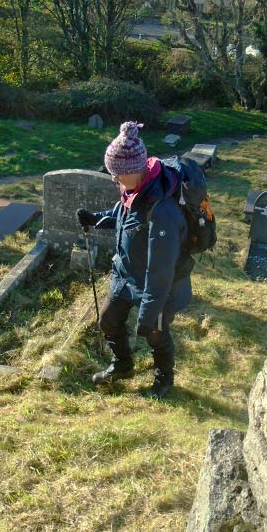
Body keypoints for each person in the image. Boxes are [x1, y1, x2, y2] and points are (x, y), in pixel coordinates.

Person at [76, 121, 193, 399]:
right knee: (108, 320)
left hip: (156, 287)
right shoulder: (135, 188)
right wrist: (97, 219)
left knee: (155, 333)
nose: (114, 180)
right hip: (125, 274)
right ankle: (122, 366)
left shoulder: (163, 210)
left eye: (118, 174)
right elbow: (124, 215)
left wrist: (149, 312)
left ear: (135, 170)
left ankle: (164, 378)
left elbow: (161, 270)